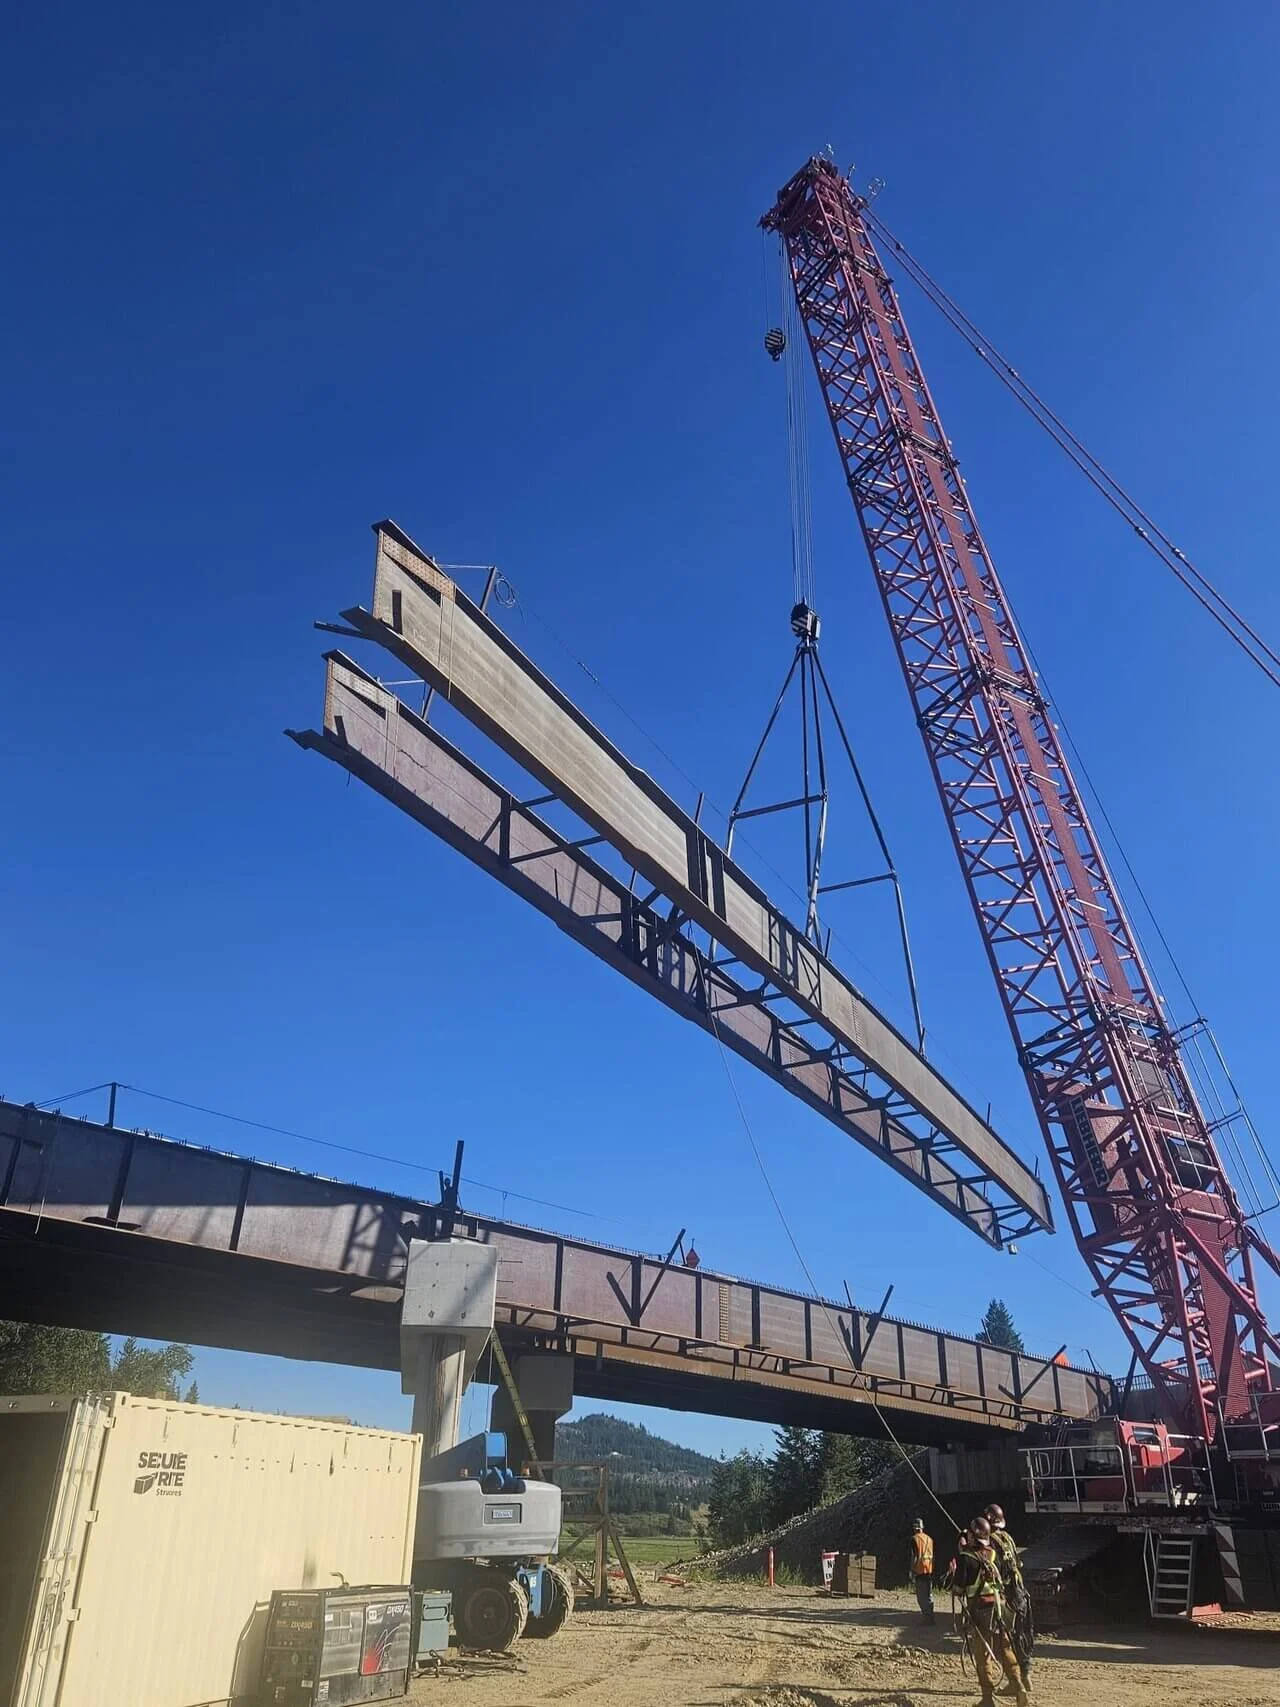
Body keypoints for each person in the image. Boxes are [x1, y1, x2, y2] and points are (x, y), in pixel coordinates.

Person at [952, 1517, 1028, 1707]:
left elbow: (958, 1588)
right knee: (1005, 1648)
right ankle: (1019, 1686)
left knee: (983, 1654)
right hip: (999, 1608)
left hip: (980, 1610)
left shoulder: (965, 1558)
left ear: (972, 1536)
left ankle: (987, 1699)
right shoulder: (994, 1554)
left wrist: (959, 1560)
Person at [984, 1503, 1033, 1695]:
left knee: (1006, 1640)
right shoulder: (1008, 1538)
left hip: (1007, 1594)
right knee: (1022, 1634)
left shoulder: (991, 1542)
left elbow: (991, 1568)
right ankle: (1026, 1676)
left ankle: (1016, 1682)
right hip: (1020, 1590)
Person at [908, 1518, 935, 1623]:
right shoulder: (929, 1539)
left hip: (920, 1570)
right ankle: (931, 1616)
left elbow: (914, 1556)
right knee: (929, 1594)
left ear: (915, 1528)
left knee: (921, 1596)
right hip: (929, 1569)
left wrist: (911, 1571)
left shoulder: (914, 1539)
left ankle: (927, 1617)